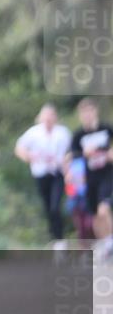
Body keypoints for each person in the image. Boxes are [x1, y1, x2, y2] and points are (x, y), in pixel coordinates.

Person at [15, 104, 72, 242]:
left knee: (55, 207)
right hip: (40, 174)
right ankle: (54, 237)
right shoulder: (33, 133)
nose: (48, 119)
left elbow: (72, 151)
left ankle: (60, 240)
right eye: (45, 116)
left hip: (58, 173)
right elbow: (19, 148)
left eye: (51, 115)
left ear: (55, 117)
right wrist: (29, 157)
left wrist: (67, 166)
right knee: (48, 207)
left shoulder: (63, 132)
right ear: (40, 118)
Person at [69, 98, 113, 260]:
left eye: (89, 111)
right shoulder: (78, 135)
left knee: (104, 209)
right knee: (95, 214)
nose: (87, 115)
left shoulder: (106, 129)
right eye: (84, 112)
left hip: (107, 175)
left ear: (95, 111)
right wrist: (83, 154)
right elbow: (72, 155)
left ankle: (110, 242)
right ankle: (105, 245)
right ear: (80, 115)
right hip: (89, 179)